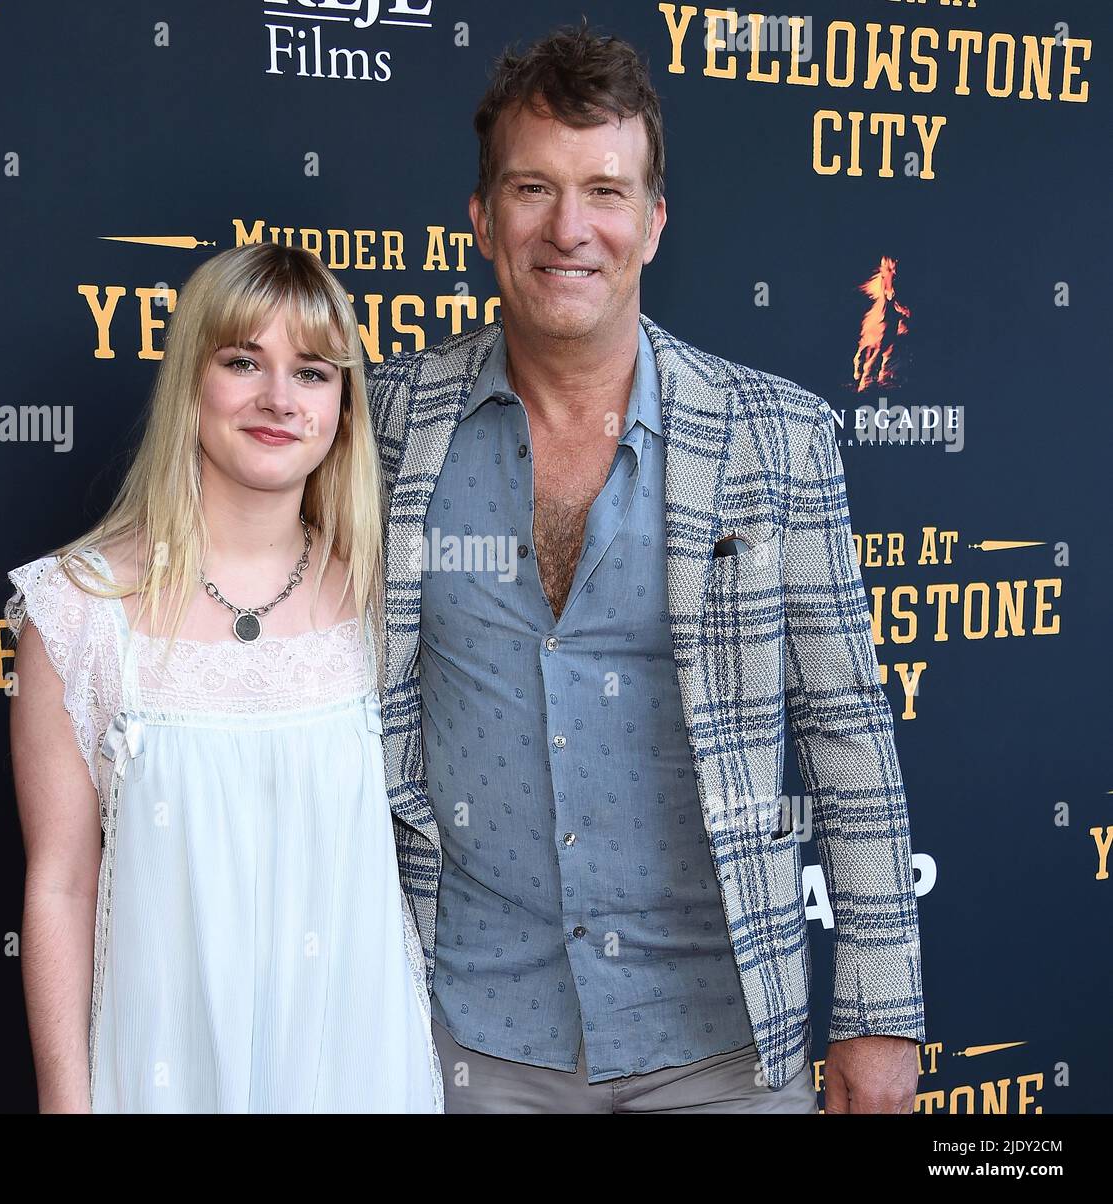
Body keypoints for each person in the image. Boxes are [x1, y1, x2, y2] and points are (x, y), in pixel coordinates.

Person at [367, 24, 925, 1114]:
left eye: (605, 192)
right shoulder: (386, 423)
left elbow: (848, 734)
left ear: (654, 223)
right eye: (532, 188)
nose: (569, 228)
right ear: (481, 218)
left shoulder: (777, 437)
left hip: (721, 1042)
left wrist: (878, 1010)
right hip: (468, 1038)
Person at [4, 242, 442, 1113]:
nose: (279, 399)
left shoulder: (389, 596)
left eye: (313, 373)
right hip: (165, 1068)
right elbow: (59, 882)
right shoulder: (78, 610)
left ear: (343, 408)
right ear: (191, 382)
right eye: (244, 362)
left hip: (359, 1069)